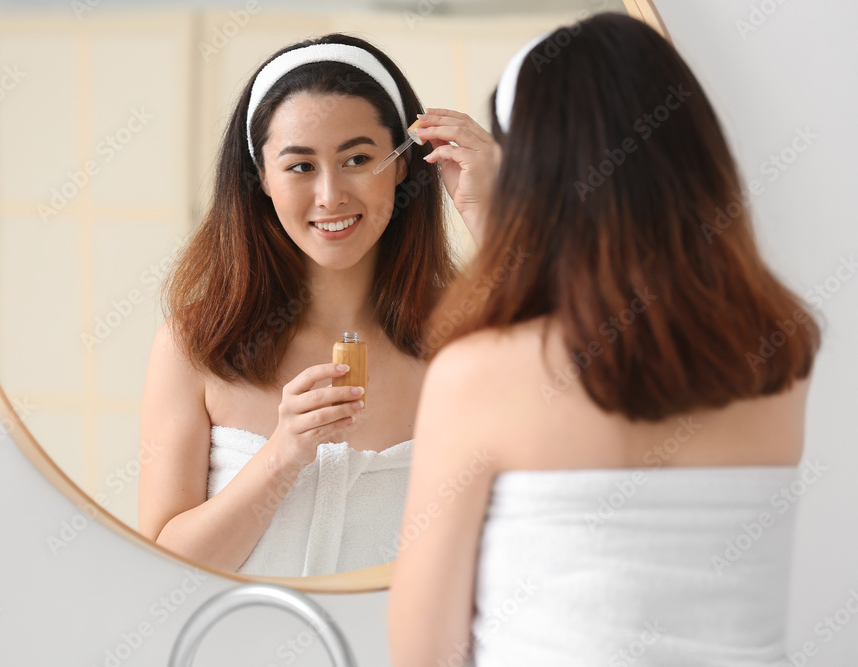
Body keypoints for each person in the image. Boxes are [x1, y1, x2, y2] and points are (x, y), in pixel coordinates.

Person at [389, 12, 820, 666]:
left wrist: (501, 232)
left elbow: (423, 652)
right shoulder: (774, 357)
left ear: (533, 179)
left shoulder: (478, 375)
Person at [137, 33, 499, 576]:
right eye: (300, 166)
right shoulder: (195, 344)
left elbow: (575, 456)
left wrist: (497, 218)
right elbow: (159, 569)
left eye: (357, 158)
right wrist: (283, 453)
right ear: (261, 177)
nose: (330, 195)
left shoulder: (469, 339)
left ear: (403, 164)